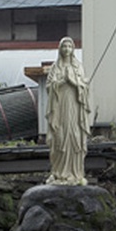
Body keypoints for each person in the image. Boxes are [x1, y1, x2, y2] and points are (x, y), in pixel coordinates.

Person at [45, 36, 91, 185]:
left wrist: (74, 82)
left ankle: (76, 173)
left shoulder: (78, 66)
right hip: (59, 106)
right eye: (64, 46)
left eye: (69, 47)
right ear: (60, 49)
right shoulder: (55, 67)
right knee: (59, 136)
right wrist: (61, 82)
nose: (67, 49)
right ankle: (58, 172)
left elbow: (85, 86)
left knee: (75, 136)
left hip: (75, 106)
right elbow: (48, 87)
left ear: (73, 49)